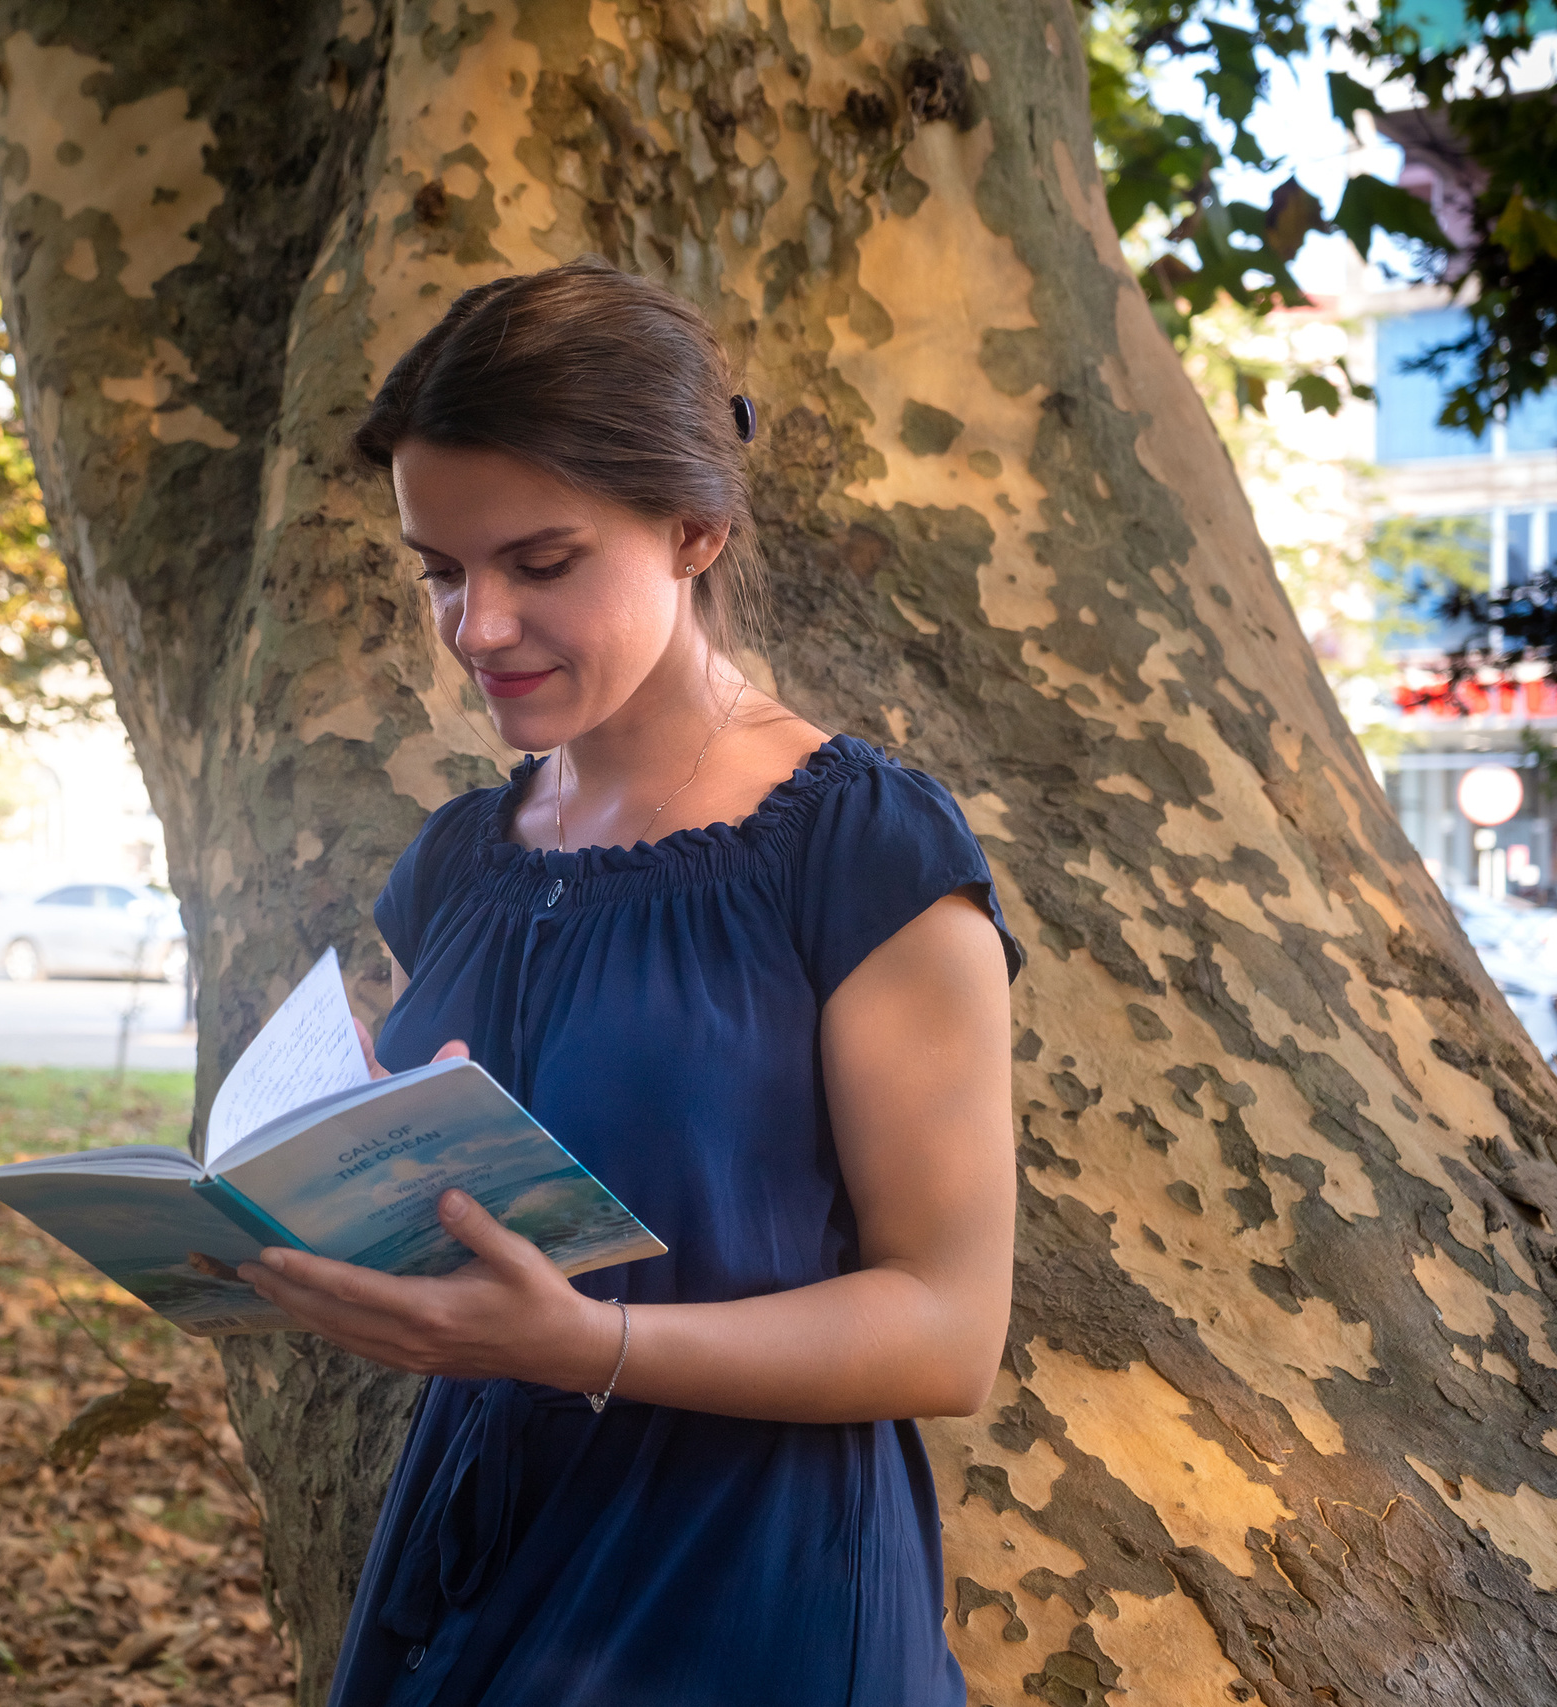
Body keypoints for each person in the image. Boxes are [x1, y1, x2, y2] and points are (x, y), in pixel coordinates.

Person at [234, 260, 1022, 1706]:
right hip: (469, 1558)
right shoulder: (460, 860)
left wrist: (588, 1341)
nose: (477, 627)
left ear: (694, 529)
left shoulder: (861, 850)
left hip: (744, 1588)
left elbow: (950, 1326)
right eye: (440, 569)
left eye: (539, 563)